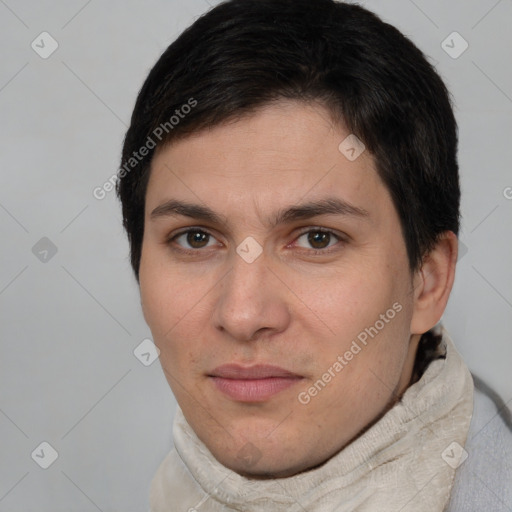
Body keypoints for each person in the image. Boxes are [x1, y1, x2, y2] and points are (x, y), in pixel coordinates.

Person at [116, 0, 512, 510]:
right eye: (196, 238)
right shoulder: (172, 492)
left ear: (427, 282)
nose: (242, 314)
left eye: (317, 239)